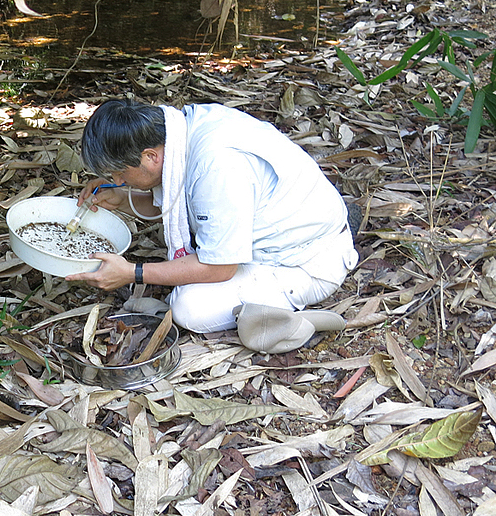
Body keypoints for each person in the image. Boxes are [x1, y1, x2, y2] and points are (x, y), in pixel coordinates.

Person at [65, 99, 360, 353]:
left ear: (150, 157)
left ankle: (292, 319)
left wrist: (133, 273)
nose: (117, 181)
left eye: (119, 173)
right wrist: (120, 198)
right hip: (288, 227)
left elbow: (220, 267)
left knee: (189, 308)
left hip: (302, 261)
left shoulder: (216, 165)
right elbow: (176, 202)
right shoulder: (183, 129)